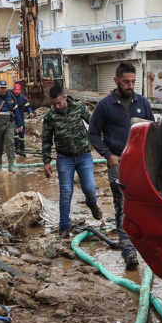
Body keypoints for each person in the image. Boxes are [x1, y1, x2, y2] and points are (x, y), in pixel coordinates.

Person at [88, 61, 154, 270]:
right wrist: (108, 155)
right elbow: (93, 134)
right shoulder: (104, 105)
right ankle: (129, 250)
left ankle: (145, 246)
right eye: (126, 82)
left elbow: (152, 130)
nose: (130, 86)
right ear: (116, 80)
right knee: (122, 206)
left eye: (133, 82)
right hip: (118, 163)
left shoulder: (142, 102)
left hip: (140, 164)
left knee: (144, 205)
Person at [42, 85, 103, 239]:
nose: (57, 106)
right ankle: (63, 228)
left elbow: (94, 124)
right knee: (66, 192)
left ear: (65, 98)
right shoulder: (50, 116)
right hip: (64, 158)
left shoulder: (79, 108)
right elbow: (46, 139)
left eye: (59, 103)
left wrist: (101, 143)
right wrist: (46, 162)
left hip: (84, 156)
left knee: (89, 188)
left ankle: (92, 203)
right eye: (54, 104)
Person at [11, 83, 35, 157]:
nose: (17, 93)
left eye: (18, 92)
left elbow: (28, 106)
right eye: (15, 92)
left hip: (20, 117)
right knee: (15, 131)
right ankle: (16, 147)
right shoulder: (10, 98)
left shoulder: (23, 98)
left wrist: (30, 112)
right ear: (13, 90)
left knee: (21, 132)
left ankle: (22, 148)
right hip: (13, 116)